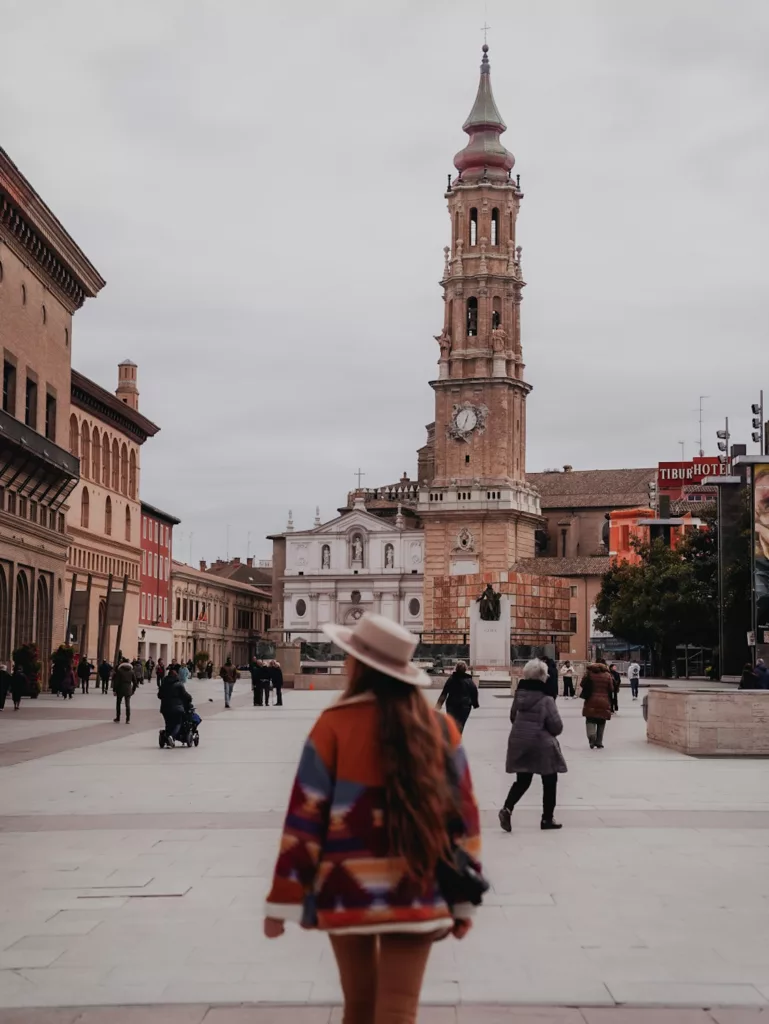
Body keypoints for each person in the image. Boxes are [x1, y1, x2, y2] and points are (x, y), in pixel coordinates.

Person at [264, 612, 482, 1024]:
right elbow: (463, 818)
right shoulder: (441, 728)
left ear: (357, 666)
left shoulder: (333, 725)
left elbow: (304, 818)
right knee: (399, 1012)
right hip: (418, 883)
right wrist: (464, 902)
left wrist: (283, 900)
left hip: (347, 888)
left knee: (359, 1010)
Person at [499, 658, 567, 833]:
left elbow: (513, 716)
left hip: (520, 740)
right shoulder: (547, 698)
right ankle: (547, 818)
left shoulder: (519, 695)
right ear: (544, 676)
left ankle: (507, 808)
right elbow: (556, 726)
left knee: (523, 780)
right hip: (541, 744)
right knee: (550, 780)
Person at [436, 661, 479, 733]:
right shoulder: (469, 681)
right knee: (461, 724)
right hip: (465, 706)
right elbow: (474, 692)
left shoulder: (451, 679)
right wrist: (475, 704)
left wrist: (438, 705)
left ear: (456, 669)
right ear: (465, 669)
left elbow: (444, 693)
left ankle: (452, 738)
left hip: (452, 705)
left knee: (451, 724)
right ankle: (457, 738)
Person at [580, 660, 614, 749]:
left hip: (591, 700)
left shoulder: (589, 674)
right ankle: (599, 741)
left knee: (590, 719)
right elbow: (611, 688)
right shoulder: (608, 675)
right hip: (604, 701)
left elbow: (582, 684)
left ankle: (591, 736)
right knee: (601, 721)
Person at [158, 668, 192, 747]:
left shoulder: (163, 683)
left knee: (168, 723)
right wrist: (189, 698)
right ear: (176, 675)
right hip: (176, 707)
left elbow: (159, 695)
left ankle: (167, 739)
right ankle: (172, 737)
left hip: (165, 708)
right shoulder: (179, 684)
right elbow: (185, 695)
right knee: (178, 723)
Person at [113, 658, 136, 723]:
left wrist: (114, 690)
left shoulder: (119, 670)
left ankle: (118, 717)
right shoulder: (131, 671)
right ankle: (128, 719)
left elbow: (116, 681)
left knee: (118, 703)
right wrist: (133, 690)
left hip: (120, 688)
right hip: (128, 688)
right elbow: (135, 682)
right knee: (127, 704)